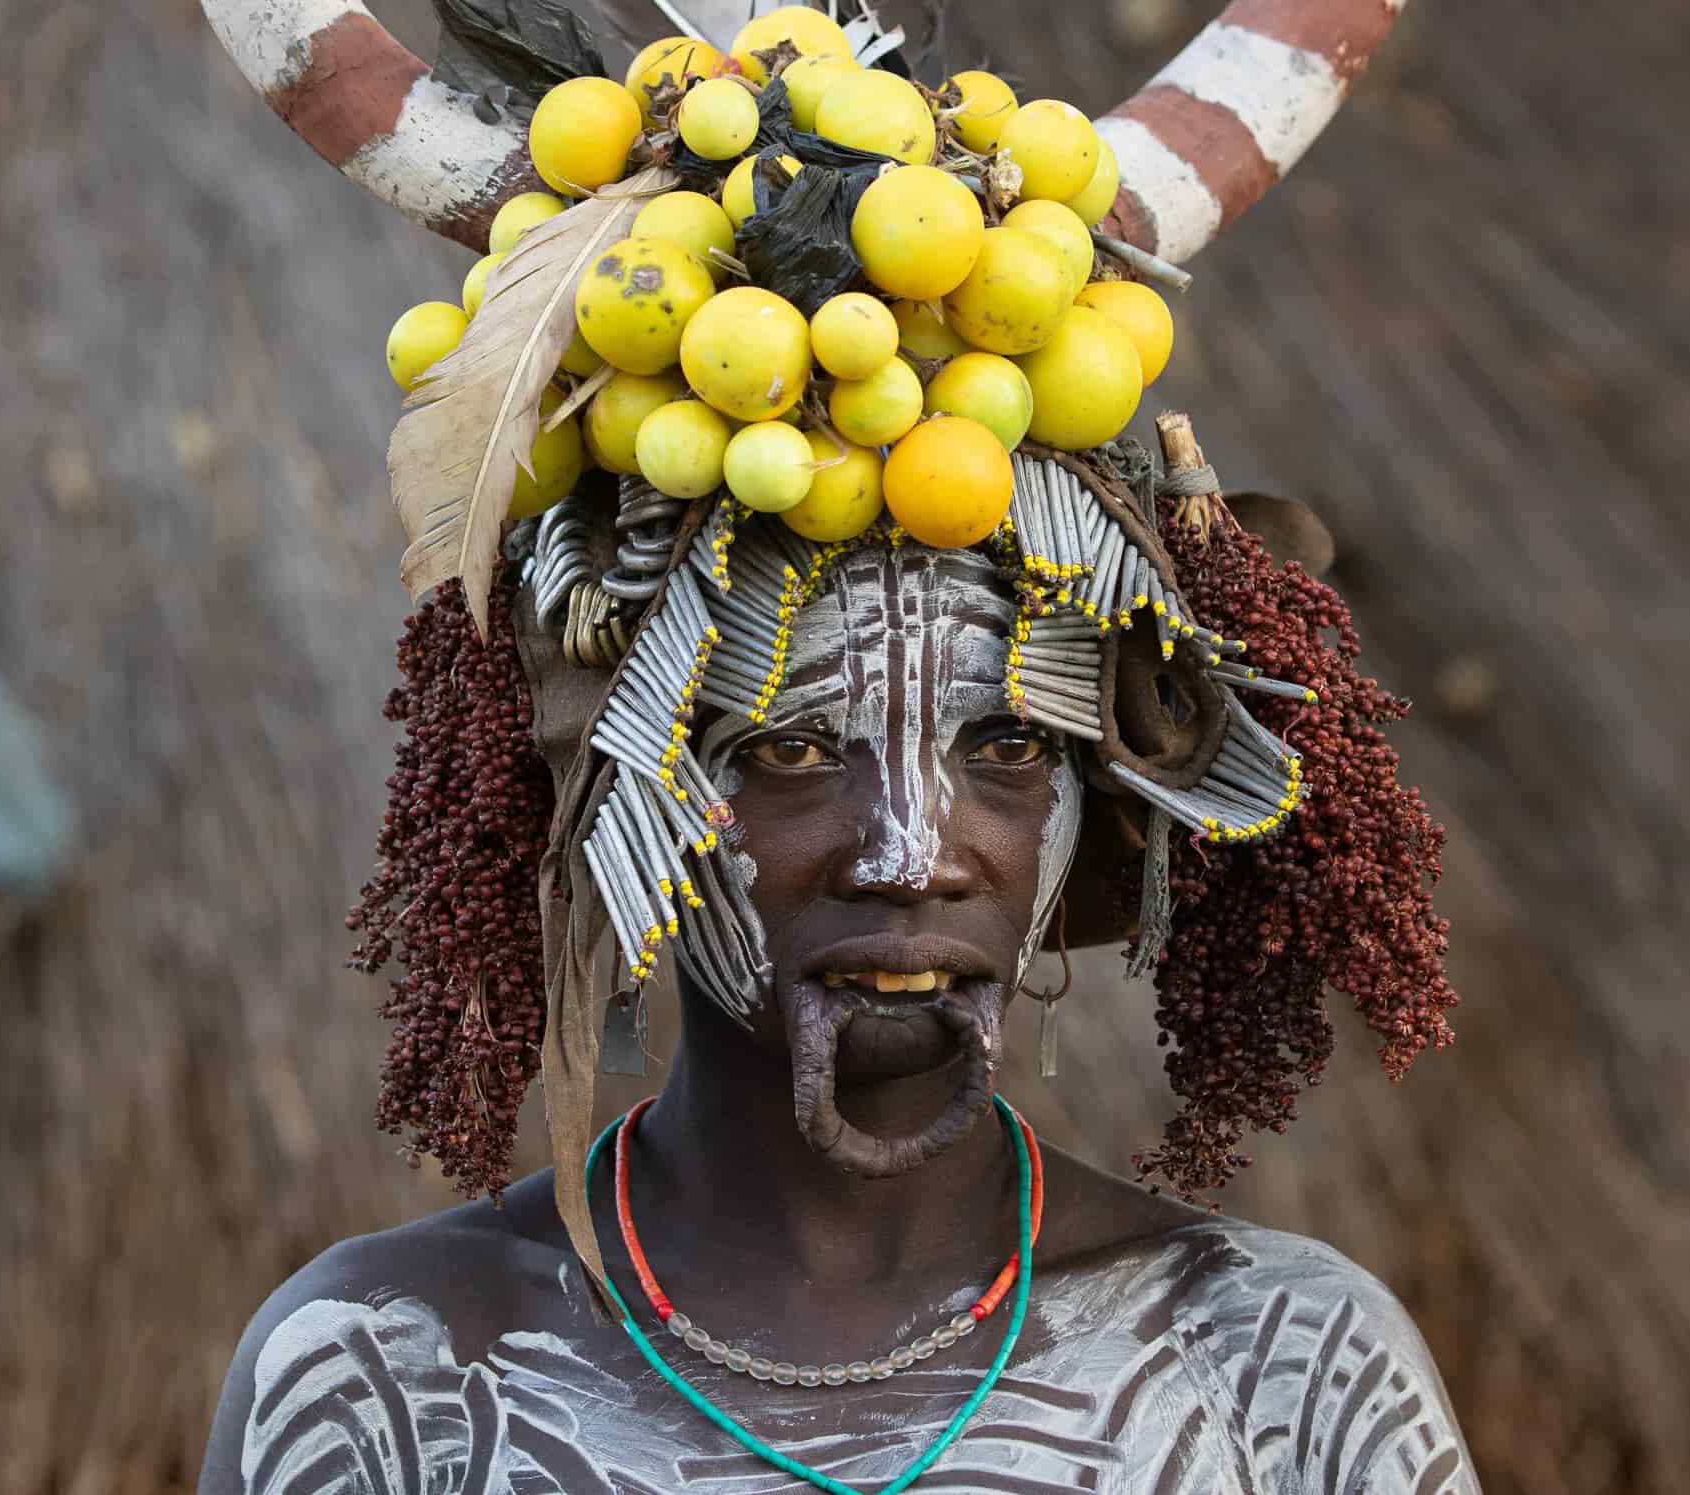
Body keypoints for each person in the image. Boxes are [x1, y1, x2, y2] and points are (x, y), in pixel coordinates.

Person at [193, 2, 1470, 1489]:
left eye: (1000, 744)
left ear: (1099, 784)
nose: (914, 853)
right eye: (794, 754)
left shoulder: (1284, 1371)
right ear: (613, 780)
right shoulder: (390, 1382)